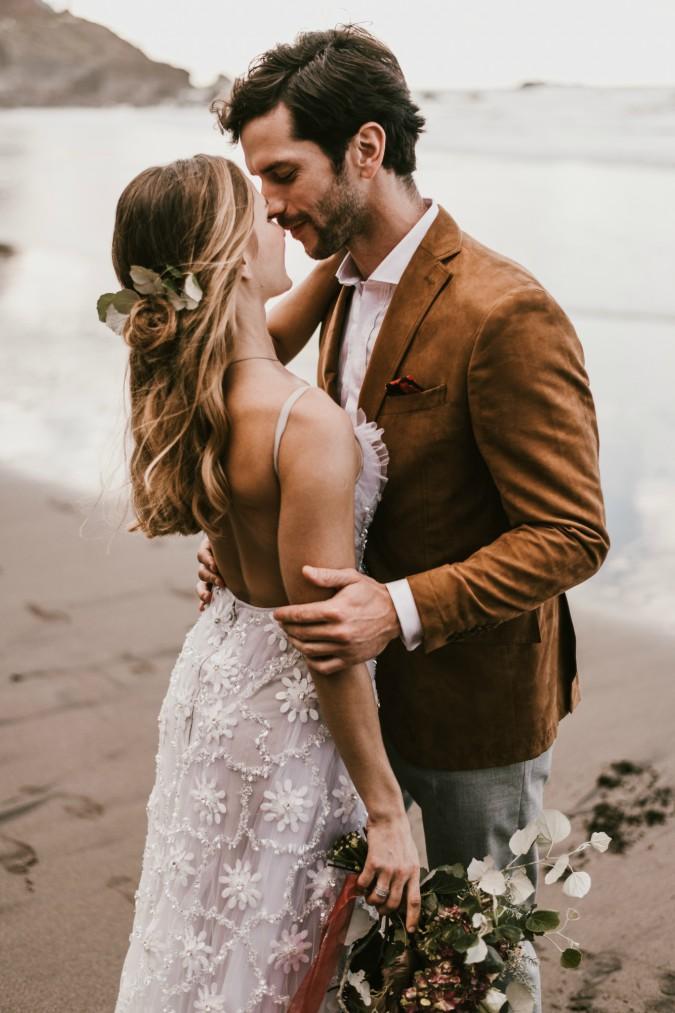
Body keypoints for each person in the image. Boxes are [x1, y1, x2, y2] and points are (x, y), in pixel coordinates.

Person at [196, 26, 610, 1010]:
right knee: (398, 970)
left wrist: (400, 607)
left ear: (366, 149)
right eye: (257, 182)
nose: (271, 206)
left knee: (480, 974)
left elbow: (573, 531)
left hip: (470, 716)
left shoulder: (503, 310)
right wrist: (250, 557)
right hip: (359, 716)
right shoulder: (337, 284)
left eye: (285, 174)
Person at [107, 153, 420, 1013]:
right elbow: (322, 637)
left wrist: (346, 249)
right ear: (231, 256)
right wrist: (386, 808)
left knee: (199, 933)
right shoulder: (301, 421)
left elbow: (260, 329)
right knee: (269, 961)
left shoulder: (200, 381)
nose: (279, 214)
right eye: (260, 208)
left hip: (214, 684)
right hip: (282, 714)